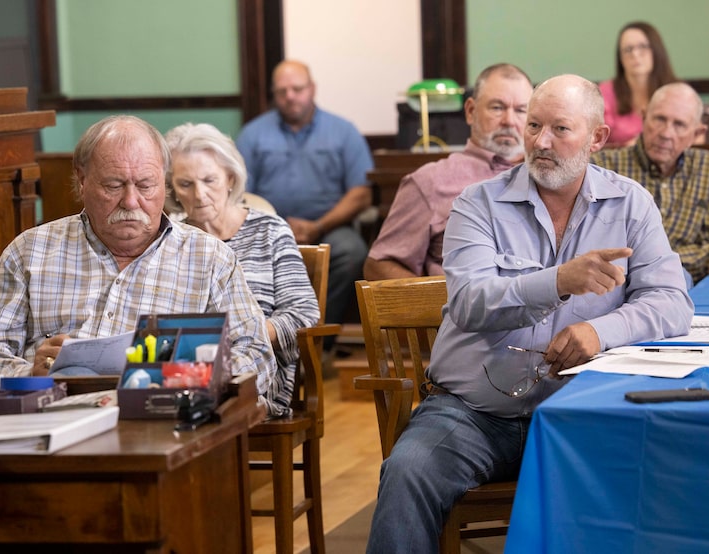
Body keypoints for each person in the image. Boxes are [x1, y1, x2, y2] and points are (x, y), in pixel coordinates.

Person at [365, 75, 693, 553]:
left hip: (581, 412)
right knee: (407, 471)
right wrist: (560, 281)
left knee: (660, 476)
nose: (541, 141)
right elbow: (471, 302)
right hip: (472, 413)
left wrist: (600, 331)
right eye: (534, 125)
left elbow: (671, 300)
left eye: (560, 129)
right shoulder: (478, 204)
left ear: (597, 138)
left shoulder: (631, 204)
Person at [0, 115, 276, 401]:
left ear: (163, 183)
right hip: (53, 417)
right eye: (113, 185)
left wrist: (183, 376)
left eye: (145, 185)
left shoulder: (211, 259)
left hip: (166, 423)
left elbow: (257, 355)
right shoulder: (30, 252)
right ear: (82, 180)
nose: (130, 200)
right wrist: (30, 374)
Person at [164, 122, 320, 417]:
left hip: (258, 377)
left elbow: (304, 314)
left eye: (209, 180)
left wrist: (245, 335)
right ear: (172, 188)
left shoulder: (269, 231)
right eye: (185, 184)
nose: (199, 194)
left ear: (230, 178)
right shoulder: (173, 241)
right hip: (185, 372)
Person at [236, 59, 373, 330]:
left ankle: (319, 342)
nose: (290, 96)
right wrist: (277, 227)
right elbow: (239, 193)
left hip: (328, 227)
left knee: (353, 252)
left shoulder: (343, 131)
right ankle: (261, 337)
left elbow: (361, 194)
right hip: (266, 229)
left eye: (297, 89)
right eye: (282, 91)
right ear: (274, 95)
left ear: (312, 89)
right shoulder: (253, 134)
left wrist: (318, 226)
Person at [363, 63, 534, 280]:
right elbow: (378, 265)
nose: (509, 120)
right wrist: (443, 304)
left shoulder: (545, 178)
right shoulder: (430, 181)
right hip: (460, 309)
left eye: (521, 110)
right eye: (497, 108)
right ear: (471, 111)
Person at [593, 82, 709, 285]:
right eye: (659, 119)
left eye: (679, 125)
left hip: (681, 276)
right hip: (615, 279)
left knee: (677, 278)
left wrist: (658, 262)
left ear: (696, 133)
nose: (666, 133)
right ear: (644, 116)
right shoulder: (604, 166)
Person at [600, 21, 678, 148]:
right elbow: (595, 141)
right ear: (620, 58)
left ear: (656, 50)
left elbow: (697, 138)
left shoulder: (678, 92)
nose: (635, 54)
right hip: (620, 164)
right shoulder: (606, 92)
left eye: (642, 46)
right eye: (628, 49)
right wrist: (633, 147)